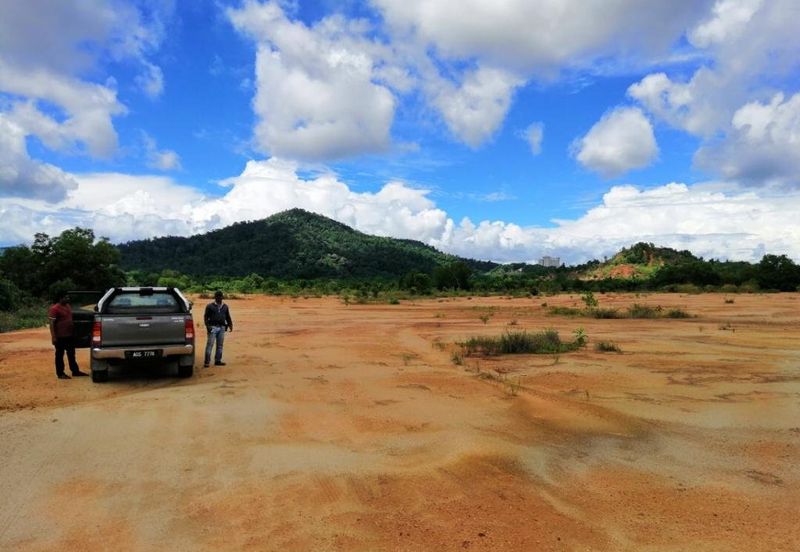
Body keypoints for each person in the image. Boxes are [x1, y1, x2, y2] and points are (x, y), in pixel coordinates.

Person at [48, 293, 89, 379]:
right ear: (60, 298)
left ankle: (75, 371)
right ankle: (60, 373)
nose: (68, 298)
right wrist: (54, 336)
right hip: (60, 336)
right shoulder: (54, 309)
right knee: (59, 355)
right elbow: (51, 324)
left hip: (69, 335)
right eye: (65, 297)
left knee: (71, 354)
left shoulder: (68, 306)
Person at [203, 290, 233, 367]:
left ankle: (218, 361)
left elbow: (228, 317)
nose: (219, 298)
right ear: (215, 297)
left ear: (222, 297)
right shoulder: (210, 306)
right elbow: (206, 317)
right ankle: (207, 362)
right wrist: (208, 327)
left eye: (220, 296)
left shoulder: (225, 306)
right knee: (210, 345)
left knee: (220, 345)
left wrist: (230, 325)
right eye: (217, 296)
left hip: (222, 328)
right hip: (212, 327)